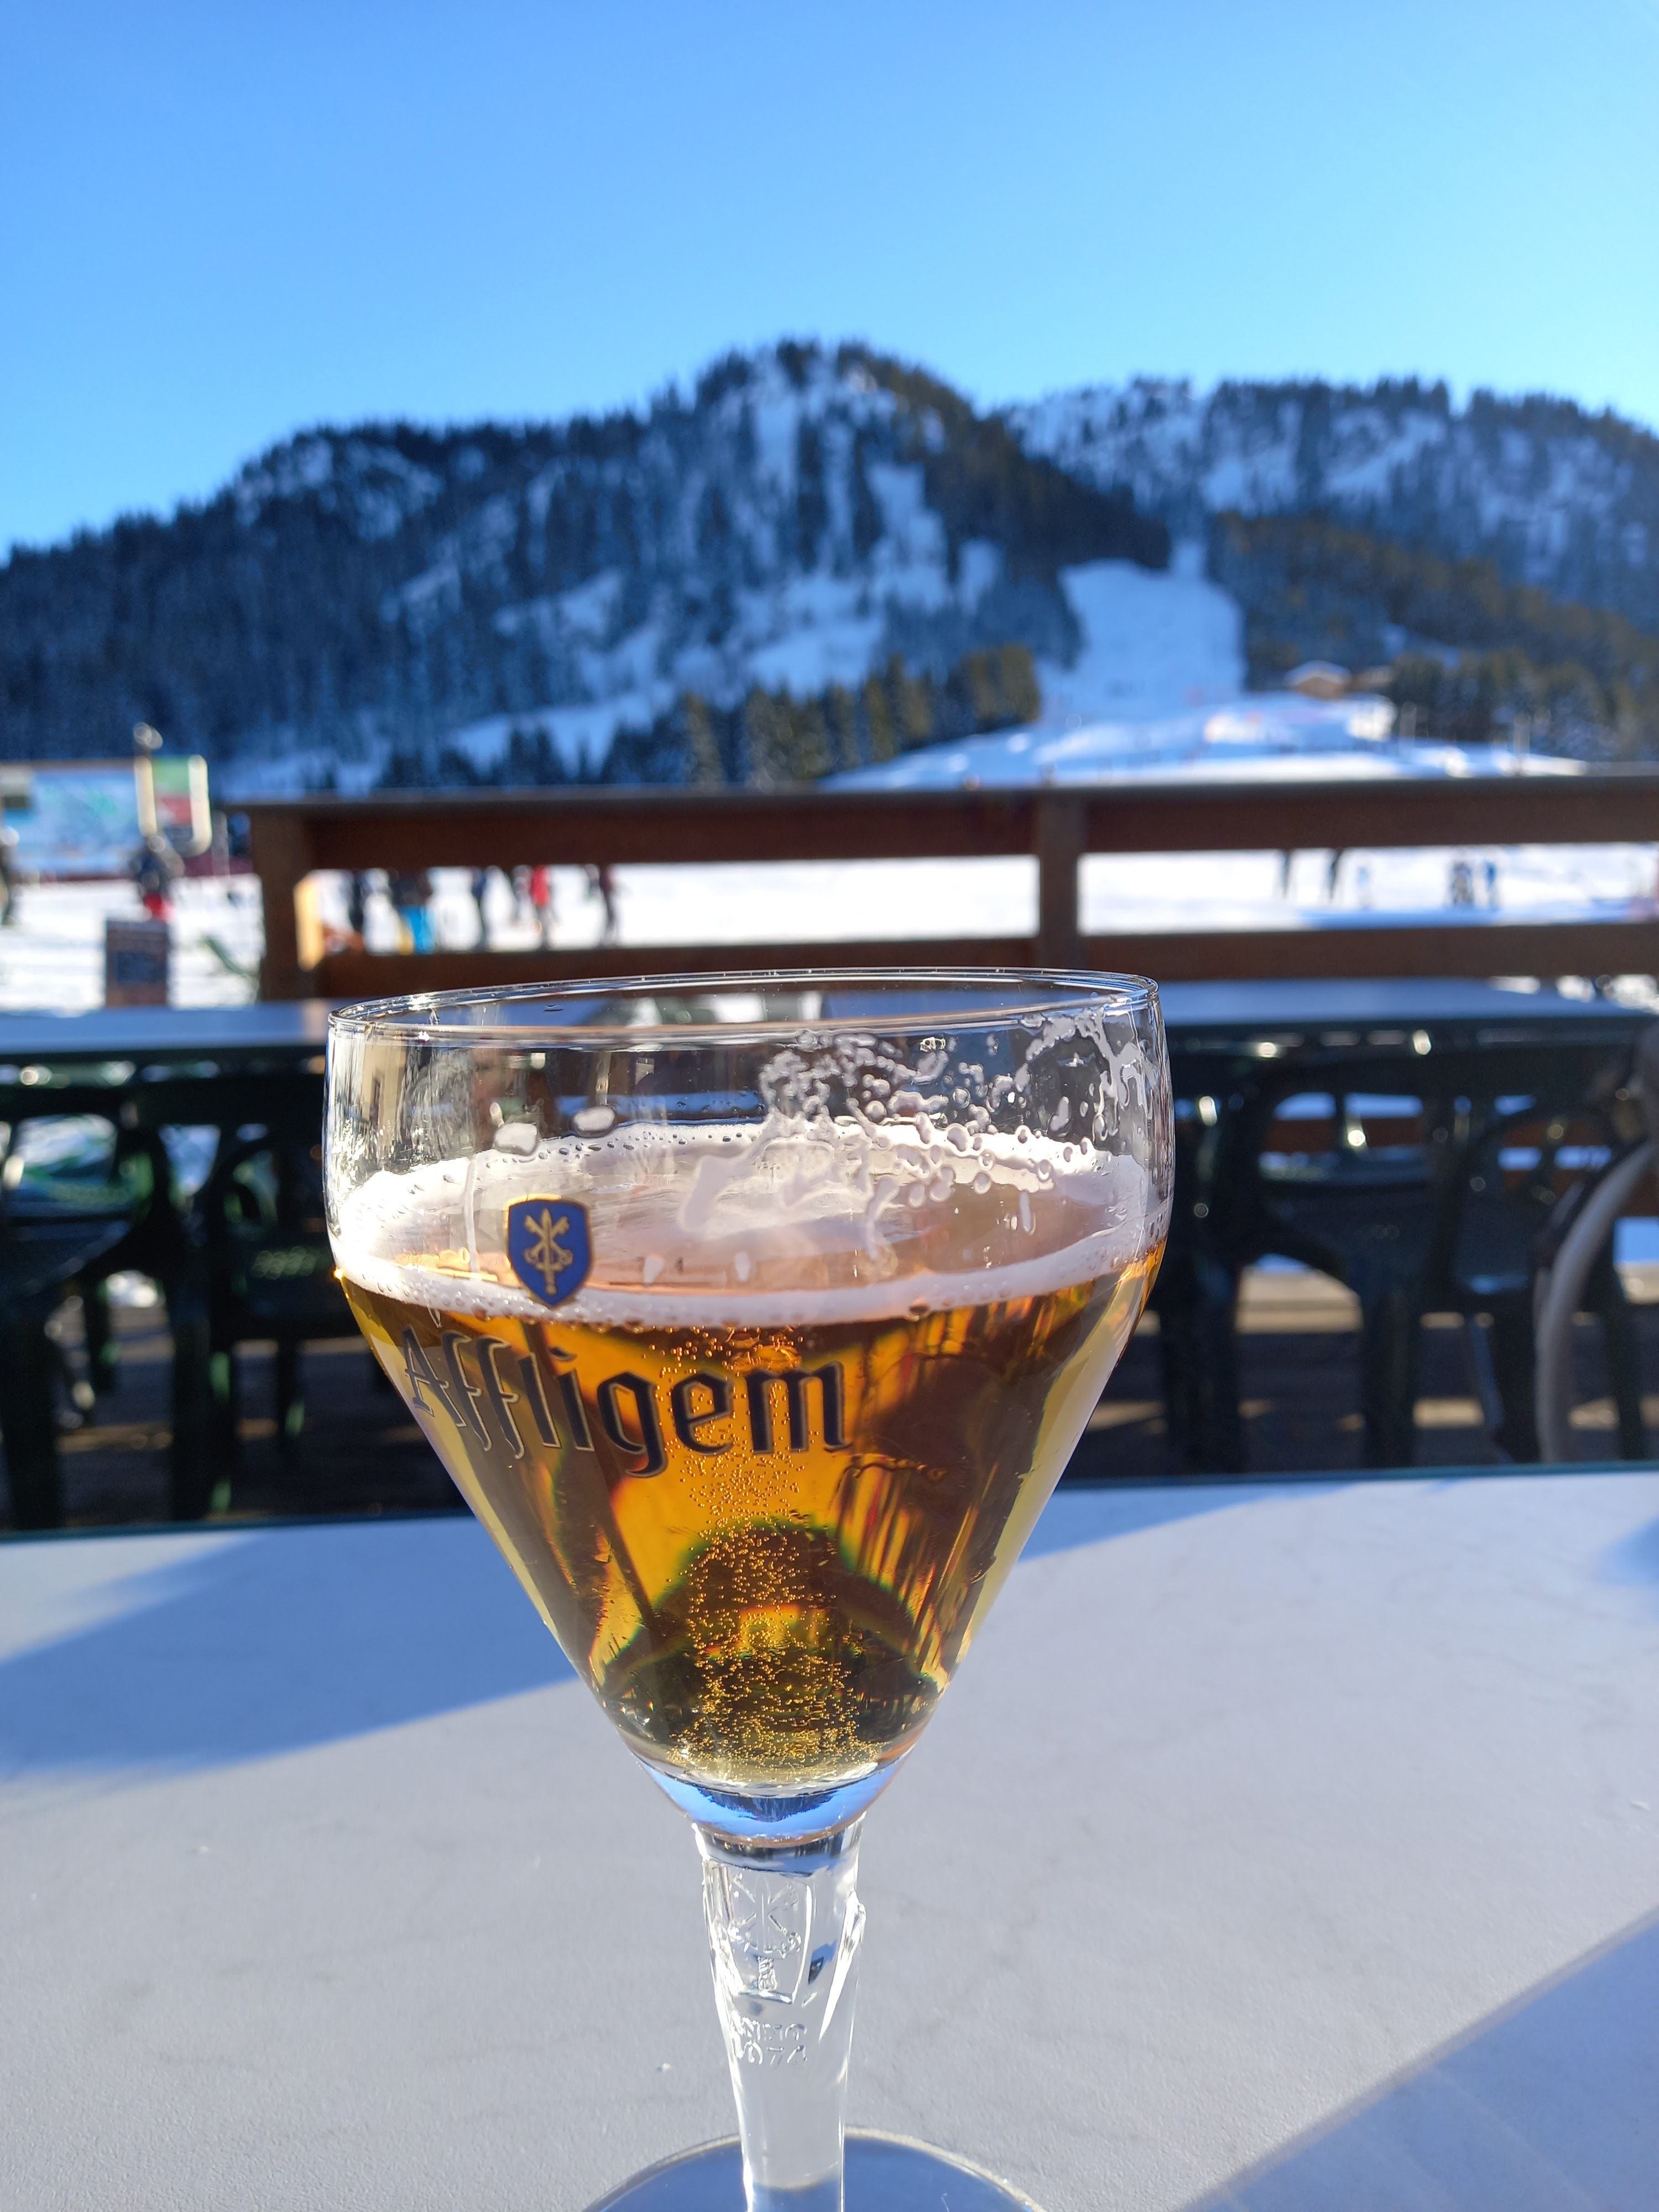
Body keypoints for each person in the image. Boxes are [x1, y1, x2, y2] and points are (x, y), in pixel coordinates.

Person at [132, 834, 181, 920]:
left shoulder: (162, 859)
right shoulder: (144, 859)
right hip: (150, 892)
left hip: (159, 892)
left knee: (161, 914)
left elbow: (167, 874)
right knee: (154, 913)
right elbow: (138, 873)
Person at [386, 868, 435, 952]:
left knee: (421, 934)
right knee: (407, 933)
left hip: (415, 904)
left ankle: (422, 952)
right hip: (405, 904)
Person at [586, 863, 619, 946]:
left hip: (607, 891)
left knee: (611, 917)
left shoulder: (605, 871)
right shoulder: (604, 871)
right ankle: (605, 939)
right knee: (611, 917)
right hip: (607, 892)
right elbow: (605, 880)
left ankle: (607, 939)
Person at [529, 866, 556, 947]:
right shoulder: (538, 873)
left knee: (543, 921)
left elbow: (543, 887)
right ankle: (544, 940)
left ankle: (546, 941)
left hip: (542, 901)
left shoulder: (541, 872)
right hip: (539, 901)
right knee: (541, 921)